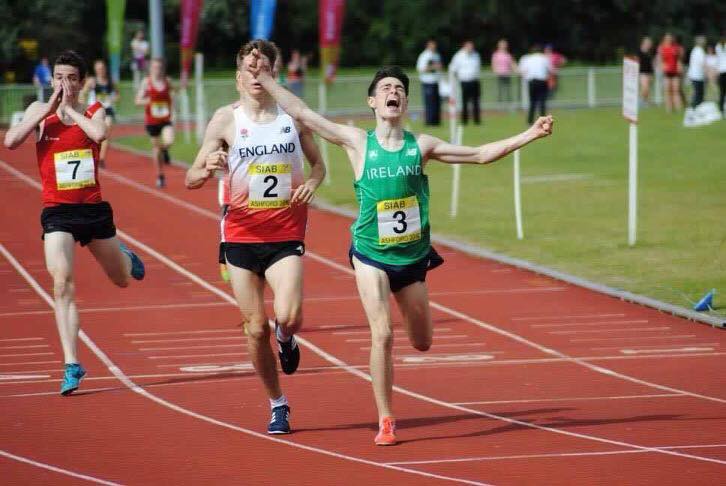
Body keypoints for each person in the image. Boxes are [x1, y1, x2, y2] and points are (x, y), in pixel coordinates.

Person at [252, 53, 554, 445]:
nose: (393, 92)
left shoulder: (421, 145)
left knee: (422, 340)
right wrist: (268, 81)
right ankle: (387, 419)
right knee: (383, 334)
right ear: (373, 102)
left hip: (411, 258)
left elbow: (479, 155)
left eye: (399, 89)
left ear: (405, 103)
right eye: (385, 89)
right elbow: (306, 114)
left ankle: (394, 383)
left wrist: (529, 134)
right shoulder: (358, 142)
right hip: (370, 253)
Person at [185, 40, 326, 435]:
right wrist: (208, 166)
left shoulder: (292, 117)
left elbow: (318, 166)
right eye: (249, 67)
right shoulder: (224, 121)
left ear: (273, 74)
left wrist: (312, 183)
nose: (255, 73)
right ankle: (277, 403)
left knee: (289, 316)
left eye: (262, 67)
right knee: (254, 328)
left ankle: (287, 337)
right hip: (241, 235)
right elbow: (192, 177)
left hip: (285, 232)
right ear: (238, 77)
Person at [3, 50, 145, 396]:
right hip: (58, 212)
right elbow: (10, 141)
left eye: (70, 78)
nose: (63, 84)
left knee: (122, 280)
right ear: (51, 81)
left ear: (81, 83)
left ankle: (125, 258)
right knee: (62, 282)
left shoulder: (93, 110)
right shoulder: (40, 112)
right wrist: (51, 111)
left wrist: (71, 113)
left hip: (92, 211)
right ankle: (71, 363)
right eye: (58, 77)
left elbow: (99, 134)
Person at [135, 58, 174, 188]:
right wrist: (148, 101)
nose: (157, 70)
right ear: (151, 69)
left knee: (169, 141)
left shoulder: (167, 81)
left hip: (165, 119)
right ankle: (160, 175)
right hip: (152, 121)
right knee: (156, 150)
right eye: (155, 67)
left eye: (159, 67)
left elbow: (174, 91)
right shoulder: (146, 82)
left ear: (162, 69)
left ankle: (165, 150)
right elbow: (137, 100)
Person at [80, 60, 118, 168]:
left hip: (107, 110)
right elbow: (83, 93)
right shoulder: (92, 81)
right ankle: (90, 154)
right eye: (98, 68)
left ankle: (101, 158)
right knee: (92, 135)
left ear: (105, 69)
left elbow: (117, 94)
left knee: (106, 132)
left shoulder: (111, 81)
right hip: (95, 111)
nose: (101, 70)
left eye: (102, 68)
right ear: (96, 70)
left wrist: (114, 98)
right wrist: (83, 105)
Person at [449, 40, 482, 125]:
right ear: (464, 47)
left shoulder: (476, 55)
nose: (470, 48)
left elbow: (478, 67)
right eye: (469, 46)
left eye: (471, 46)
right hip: (464, 81)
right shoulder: (458, 56)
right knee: (465, 101)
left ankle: (477, 120)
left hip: (475, 80)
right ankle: (465, 120)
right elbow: (453, 69)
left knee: (476, 101)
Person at [519, 44, 551, 124]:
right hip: (542, 81)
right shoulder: (544, 58)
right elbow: (550, 69)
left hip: (532, 82)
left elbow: (523, 71)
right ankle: (543, 121)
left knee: (532, 102)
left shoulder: (528, 59)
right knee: (542, 102)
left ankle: (530, 121)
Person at [416, 40, 443, 125]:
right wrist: (432, 67)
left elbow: (439, 67)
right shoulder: (424, 56)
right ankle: (429, 121)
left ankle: (436, 121)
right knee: (429, 103)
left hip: (435, 81)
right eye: (432, 45)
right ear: (428, 46)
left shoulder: (436, 55)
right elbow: (420, 69)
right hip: (427, 82)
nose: (434, 47)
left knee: (436, 103)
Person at [658, 33, 684, 112]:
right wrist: (662, 66)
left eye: (670, 38)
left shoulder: (676, 47)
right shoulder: (661, 47)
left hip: (675, 71)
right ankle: (669, 108)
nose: (669, 39)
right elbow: (660, 59)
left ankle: (678, 108)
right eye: (667, 38)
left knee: (676, 90)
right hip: (667, 71)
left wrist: (680, 66)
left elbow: (679, 58)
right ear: (664, 39)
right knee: (667, 90)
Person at [491, 39, 517, 104]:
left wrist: (517, 70)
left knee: (508, 89)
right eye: (502, 44)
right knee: (500, 90)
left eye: (505, 44)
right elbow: (493, 64)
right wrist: (495, 71)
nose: (503, 46)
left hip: (507, 74)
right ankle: (500, 103)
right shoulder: (496, 54)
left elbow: (512, 64)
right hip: (499, 74)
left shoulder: (508, 54)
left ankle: (508, 103)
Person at [687, 35, 706, 108]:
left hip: (694, 74)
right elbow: (702, 63)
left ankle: (695, 106)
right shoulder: (699, 51)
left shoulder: (695, 50)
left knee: (696, 92)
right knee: (698, 93)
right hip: (697, 75)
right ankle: (695, 107)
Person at [638, 36, 655, 104]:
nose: (649, 45)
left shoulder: (650, 52)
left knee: (647, 88)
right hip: (642, 72)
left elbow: (651, 63)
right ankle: (641, 101)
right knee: (645, 87)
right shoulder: (639, 51)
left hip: (649, 72)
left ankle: (646, 101)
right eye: (648, 43)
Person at [715, 33, 726, 114]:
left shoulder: (718, 46)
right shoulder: (720, 46)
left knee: (722, 92)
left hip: (721, 71)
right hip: (723, 71)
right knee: (722, 92)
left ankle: (721, 109)